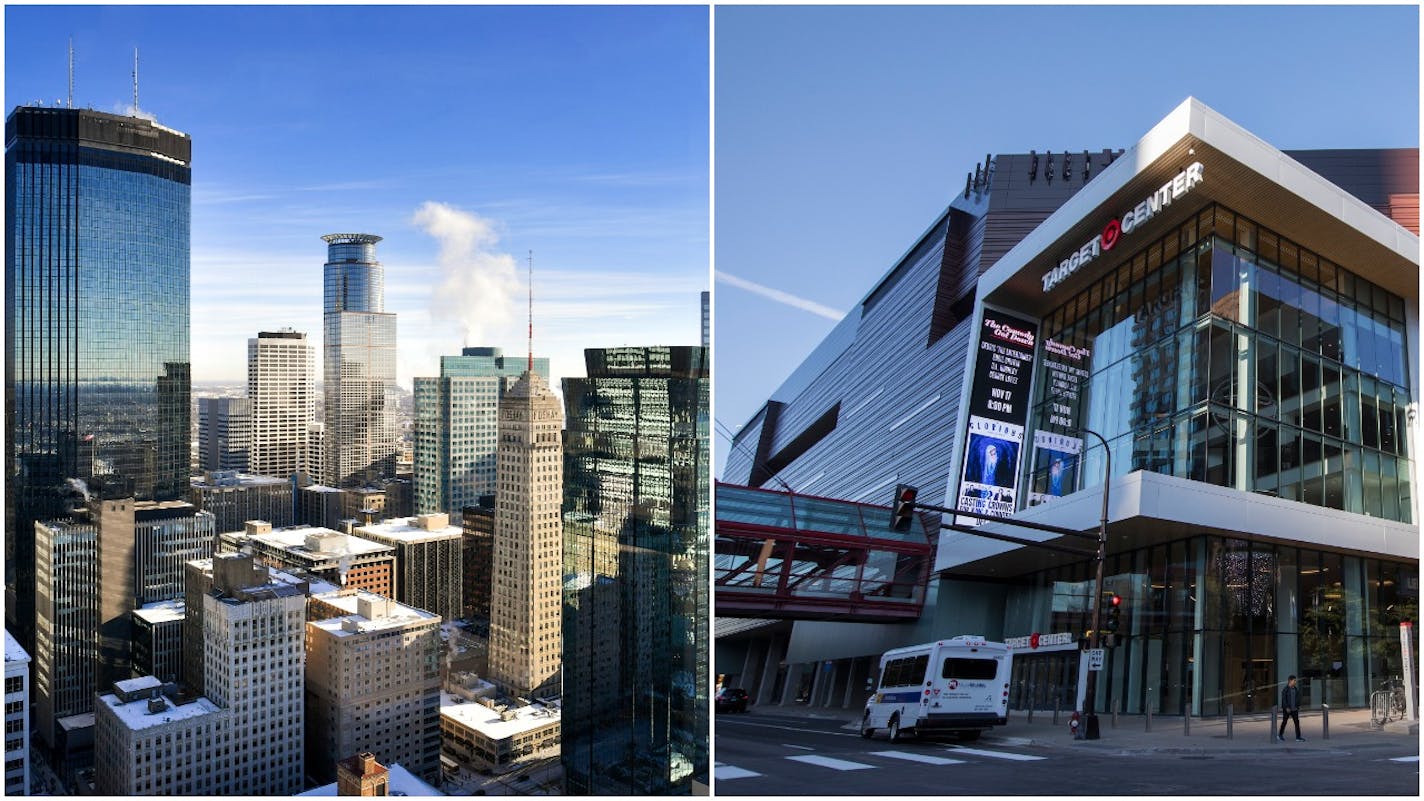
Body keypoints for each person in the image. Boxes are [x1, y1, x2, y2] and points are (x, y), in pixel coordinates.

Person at [1278, 675, 1304, 742]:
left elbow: (1298, 698)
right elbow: (1284, 699)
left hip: (1294, 709)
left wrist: (1298, 706)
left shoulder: (1295, 689)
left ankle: (1298, 737)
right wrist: (1286, 707)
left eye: (1295, 680)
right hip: (1287, 709)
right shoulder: (1285, 689)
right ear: (1290, 681)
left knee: (1297, 723)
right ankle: (1280, 735)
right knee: (1284, 722)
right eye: (1294, 680)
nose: (1295, 682)